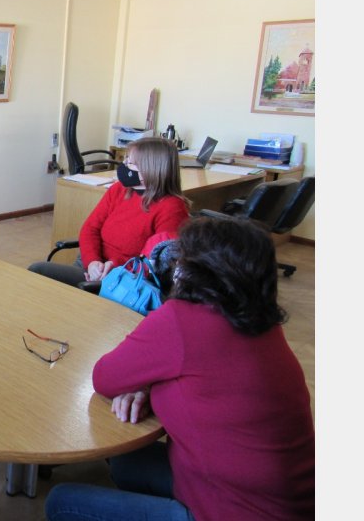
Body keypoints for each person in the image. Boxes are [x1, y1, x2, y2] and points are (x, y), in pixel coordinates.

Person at [45, 216, 315, 521]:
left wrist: (141, 383)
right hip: (286, 502)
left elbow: (104, 377)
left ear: (198, 272)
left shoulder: (181, 320)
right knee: (125, 462)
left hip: (232, 511)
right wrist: (147, 384)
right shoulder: (263, 323)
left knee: (62, 502)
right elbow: (204, 380)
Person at [29, 137, 189, 286]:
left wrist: (113, 266)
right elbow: (90, 229)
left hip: (122, 280)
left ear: (151, 169)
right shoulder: (120, 190)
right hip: (91, 266)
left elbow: (156, 263)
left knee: (38, 271)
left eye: (131, 163)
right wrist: (92, 261)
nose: (124, 165)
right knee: (36, 276)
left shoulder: (172, 208)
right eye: (126, 159)